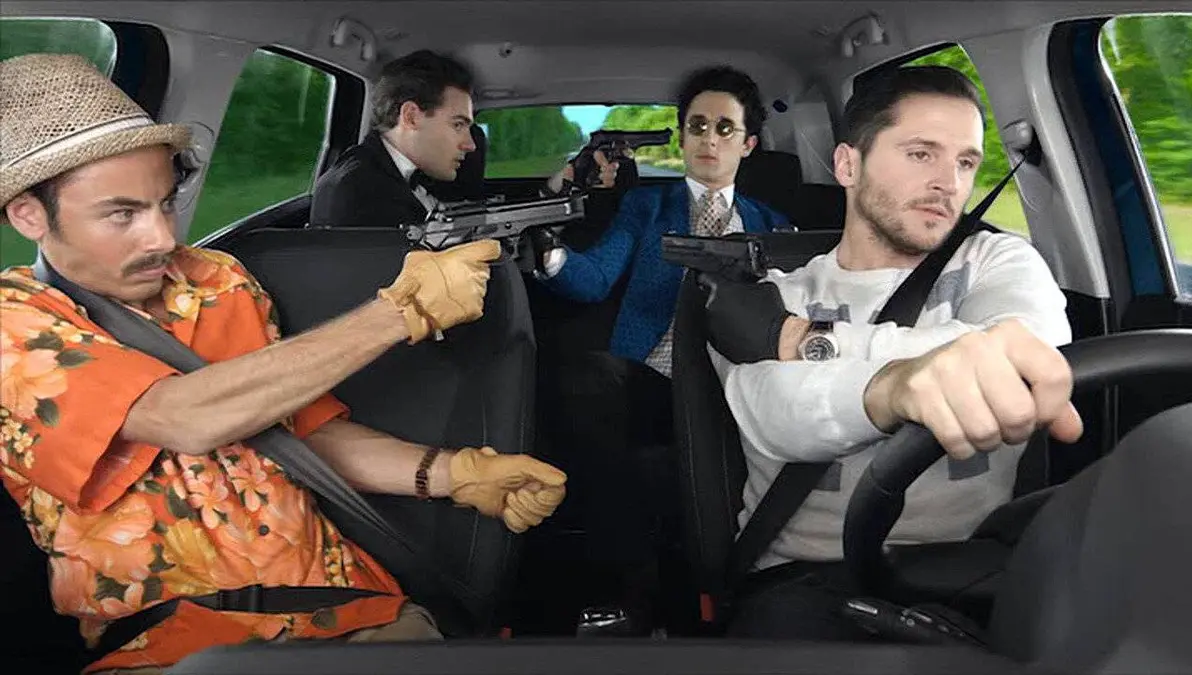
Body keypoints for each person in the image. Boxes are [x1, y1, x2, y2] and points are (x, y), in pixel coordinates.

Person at [0, 53, 566, 674]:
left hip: (348, 609)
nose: (162, 237)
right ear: (29, 214)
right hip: (168, 642)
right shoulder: (15, 322)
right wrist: (396, 313)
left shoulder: (218, 280)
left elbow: (297, 433)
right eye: (122, 214)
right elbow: (182, 416)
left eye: (165, 202)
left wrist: (456, 473)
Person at [702, 65, 1079, 639]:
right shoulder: (770, 299)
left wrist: (812, 342)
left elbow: (1032, 355)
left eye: (966, 163)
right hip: (809, 578)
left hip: (977, 568)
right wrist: (892, 388)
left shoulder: (999, 261)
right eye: (921, 154)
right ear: (847, 165)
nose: (949, 183)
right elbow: (775, 415)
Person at [528, 65, 789, 628]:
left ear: (747, 143)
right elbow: (595, 278)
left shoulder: (774, 226)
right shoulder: (646, 208)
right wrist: (548, 253)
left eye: (724, 128)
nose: (709, 139)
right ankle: (632, 579)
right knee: (586, 378)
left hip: (735, 388)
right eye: (698, 126)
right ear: (684, 137)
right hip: (656, 380)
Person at [310, 49, 478, 229]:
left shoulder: (391, 171)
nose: (471, 145)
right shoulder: (362, 194)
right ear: (411, 116)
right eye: (458, 125)